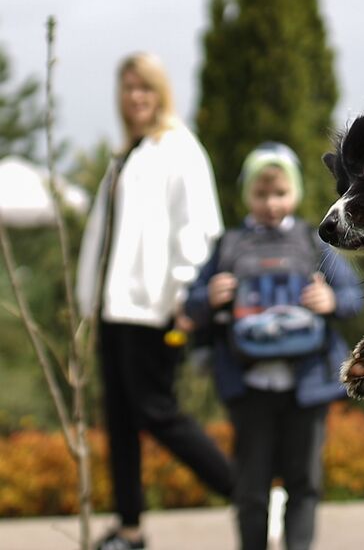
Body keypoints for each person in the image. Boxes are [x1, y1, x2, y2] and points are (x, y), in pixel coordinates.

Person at [75, 52, 236, 550]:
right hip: (114, 310)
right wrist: (88, 302)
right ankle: (130, 529)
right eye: (127, 89)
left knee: (157, 413)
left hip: (154, 309)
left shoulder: (178, 148)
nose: (135, 98)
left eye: (144, 88)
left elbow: (199, 227)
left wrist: (184, 295)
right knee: (121, 423)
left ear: (160, 92)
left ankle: (247, 493)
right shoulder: (127, 153)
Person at [185, 142, 364, 550]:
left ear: (295, 193)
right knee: (250, 488)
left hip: (307, 387)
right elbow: (192, 304)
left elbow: (353, 297)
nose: (271, 203)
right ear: (246, 195)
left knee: (305, 483)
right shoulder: (228, 246)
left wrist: (331, 301)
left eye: (280, 193)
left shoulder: (314, 241)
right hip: (249, 388)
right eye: (261, 194)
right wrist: (209, 297)